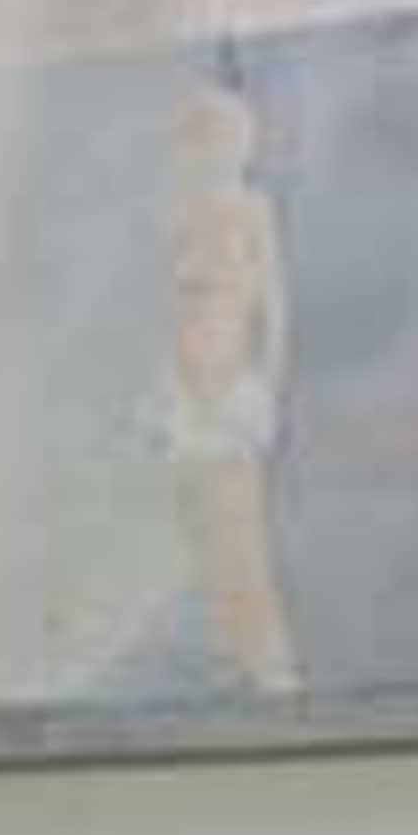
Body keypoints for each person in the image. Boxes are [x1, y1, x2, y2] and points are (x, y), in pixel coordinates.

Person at [152, 62, 301, 699]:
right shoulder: (183, 215)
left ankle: (268, 665)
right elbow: (169, 310)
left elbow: (275, 304)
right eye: (197, 134)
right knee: (197, 532)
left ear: (241, 140)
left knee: (238, 531)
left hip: (230, 386)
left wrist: (267, 386)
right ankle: (229, 655)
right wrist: (162, 391)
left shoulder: (251, 210)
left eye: (215, 133)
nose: (206, 146)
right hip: (186, 390)